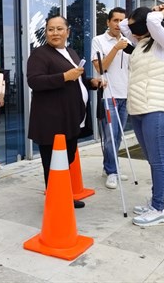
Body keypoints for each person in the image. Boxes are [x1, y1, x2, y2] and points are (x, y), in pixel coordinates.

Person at [27, 15, 103, 209]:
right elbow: (34, 81)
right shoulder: (40, 54)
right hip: (51, 120)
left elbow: (76, 80)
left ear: (67, 31)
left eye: (59, 29)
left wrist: (91, 83)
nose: (55, 33)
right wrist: (64, 76)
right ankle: (56, 202)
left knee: (66, 160)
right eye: (51, 29)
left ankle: (63, 196)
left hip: (70, 118)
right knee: (52, 164)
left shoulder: (71, 52)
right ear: (46, 32)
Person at [118, 4, 164, 226]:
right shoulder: (141, 43)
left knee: (159, 161)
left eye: (136, 25)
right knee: (153, 160)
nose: (130, 29)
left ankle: (159, 209)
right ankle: (155, 202)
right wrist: (138, 17)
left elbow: (153, 22)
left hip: (156, 107)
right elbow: (124, 25)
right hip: (138, 108)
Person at [91, 7, 130, 189]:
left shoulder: (129, 41)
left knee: (118, 136)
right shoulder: (98, 41)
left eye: (122, 21)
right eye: (115, 20)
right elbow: (100, 68)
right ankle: (112, 171)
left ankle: (110, 168)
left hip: (126, 95)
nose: (118, 24)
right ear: (108, 22)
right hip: (109, 96)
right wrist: (115, 48)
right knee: (109, 137)